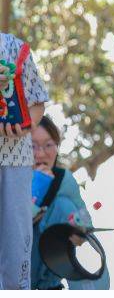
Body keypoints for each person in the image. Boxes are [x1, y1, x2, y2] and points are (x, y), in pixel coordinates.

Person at [30, 116, 110, 289]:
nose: (41, 153)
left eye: (48, 145)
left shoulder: (63, 179)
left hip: (49, 266)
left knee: (63, 205)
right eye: (32, 146)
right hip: (13, 268)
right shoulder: (9, 177)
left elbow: (83, 217)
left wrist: (78, 230)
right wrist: (37, 188)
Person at [0, 32, 48, 290]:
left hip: (14, 160)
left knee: (16, 244)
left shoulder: (14, 48)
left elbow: (37, 101)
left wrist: (24, 124)